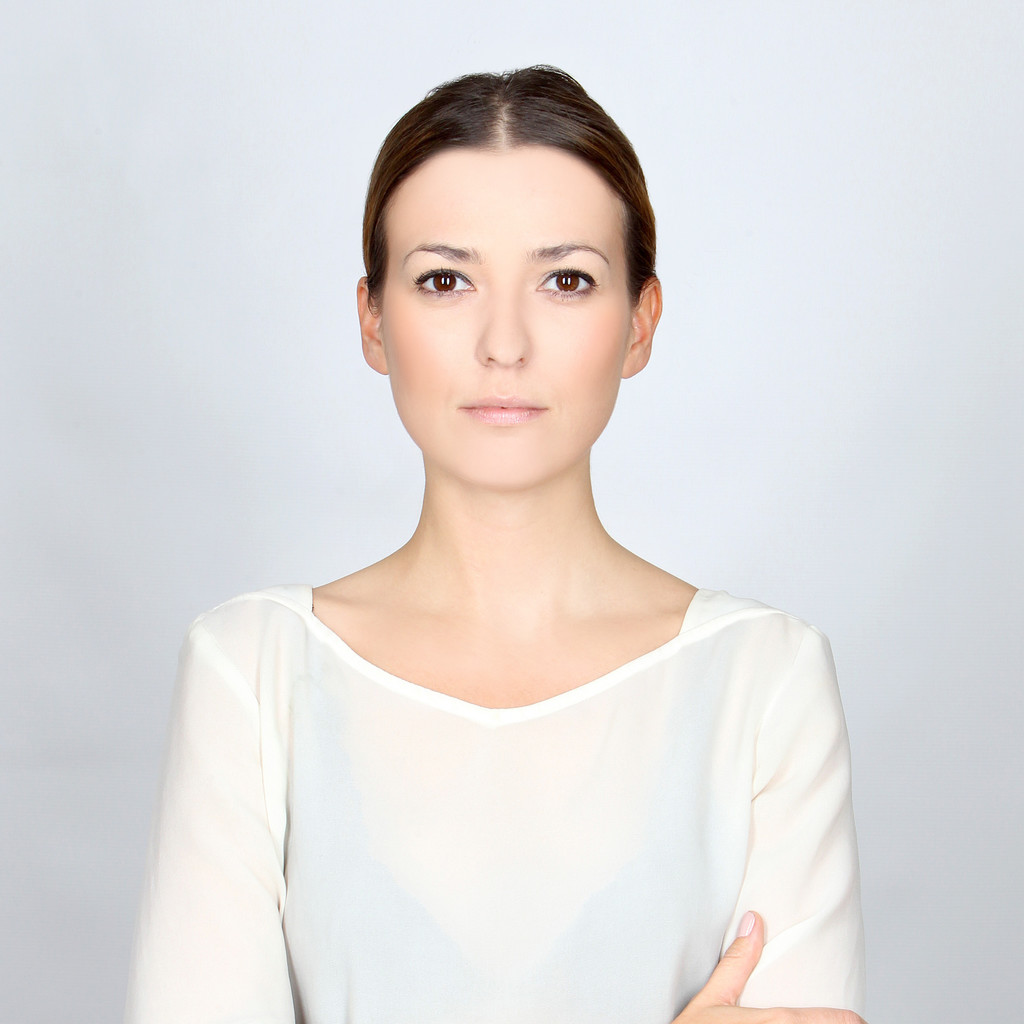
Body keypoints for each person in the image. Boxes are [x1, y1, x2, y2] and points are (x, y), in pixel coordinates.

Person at [124, 66, 866, 1024]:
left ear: (640, 322)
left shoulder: (765, 680)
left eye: (566, 280)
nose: (504, 344)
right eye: (445, 280)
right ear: (373, 321)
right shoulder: (252, 673)